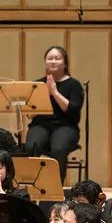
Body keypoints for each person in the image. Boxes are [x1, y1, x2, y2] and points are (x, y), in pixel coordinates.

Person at [24, 45, 83, 181]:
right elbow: (31, 114)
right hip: (41, 124)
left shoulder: (74, 84)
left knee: (58, 149)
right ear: (45, 62)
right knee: (30, 147)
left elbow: (73, 110)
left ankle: (55, 190)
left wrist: (54, 92)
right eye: (50, 58)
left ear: (65, 63)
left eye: (57, 58)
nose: (53, 61)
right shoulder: (38, 83)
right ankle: (29, 186)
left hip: (66, 126)